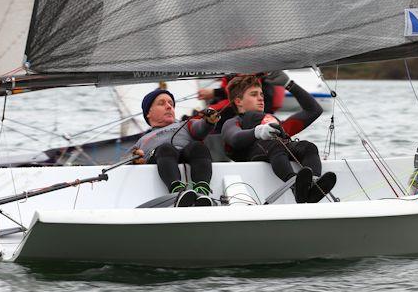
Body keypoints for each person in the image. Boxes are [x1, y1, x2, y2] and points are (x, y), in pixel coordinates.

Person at [221, 73, 336, 203]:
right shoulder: (233, 122)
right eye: (254, 95)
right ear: (238, 101)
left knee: (308, 147)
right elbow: (234, 138)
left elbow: (314, 110)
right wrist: (258, 132)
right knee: (275, 145)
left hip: (279, 150)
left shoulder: (275, 123)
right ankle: (295, 186)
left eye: (261, 94)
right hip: (258, 153)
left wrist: (289, 85)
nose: (260, 99)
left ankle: (313, 187)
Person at [132, 88, 219, 207]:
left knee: (198, 147)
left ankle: (202, 191)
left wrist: (208, 121)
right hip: (162, 156)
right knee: (166, 148)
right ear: (148, 113)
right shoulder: (142, 140)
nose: (169, 107)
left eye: (171, 104)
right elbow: (129, 158)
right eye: (161, 103)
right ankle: (177, 193)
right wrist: (135, 158)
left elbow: (200, 127)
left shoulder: (185, 124)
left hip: (186, 154)